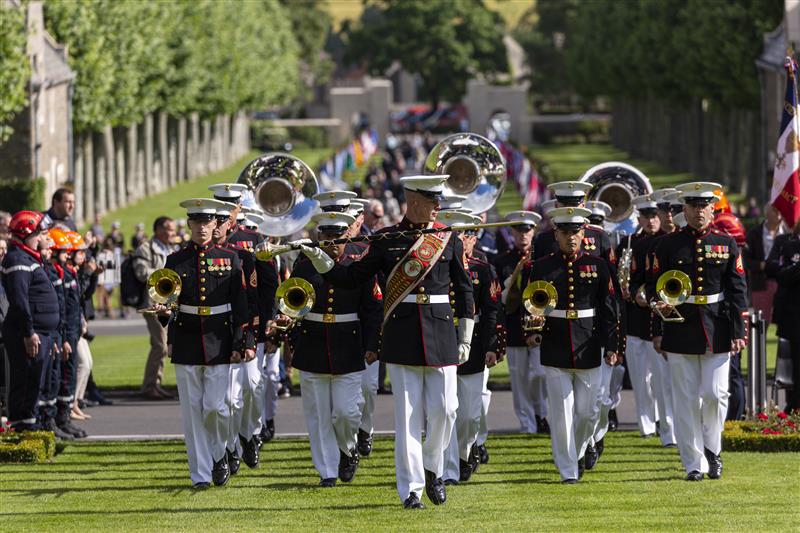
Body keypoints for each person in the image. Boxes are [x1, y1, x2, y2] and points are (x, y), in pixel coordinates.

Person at [294, 175, 474, 509]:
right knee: (407, 417)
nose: (438, 205)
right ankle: (412, 489)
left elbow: (464, 290)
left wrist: (465, 335)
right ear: (414, 200)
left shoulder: (448, 238)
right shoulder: (385, 239)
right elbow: (351, 278)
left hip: (441, 333)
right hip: (402, 335)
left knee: (446, 410)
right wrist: (321, 260)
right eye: (433, 200)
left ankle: (433, 466)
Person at [650, 182, 748, 481]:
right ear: (685, 209)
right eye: (693, 206)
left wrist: (739, 330)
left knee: (715, 394)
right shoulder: (668, 245)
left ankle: (713, 450)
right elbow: (656, 289)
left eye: (704, 206)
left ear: (712, 209)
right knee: (686, 400)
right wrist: (657, 329)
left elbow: (737, 290)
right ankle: (694, 463)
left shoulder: (725, 242)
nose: (699, 212)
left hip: (717, 328)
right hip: (680, 327)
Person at [159, 198, 254, 489]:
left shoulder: (230, 257)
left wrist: (242, 341)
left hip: (219, 338)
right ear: (189, 224)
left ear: (215, 224)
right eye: (196, 222)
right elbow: (169, 304)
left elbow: (241, 304)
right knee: (192, 412)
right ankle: (200, 474)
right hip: (187, 338)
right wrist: (166, 320)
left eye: (207, 222)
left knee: (216, 407)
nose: (202, 227)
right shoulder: (175, 261)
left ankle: (220, 451)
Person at [523, 207, 619, 483]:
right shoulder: (542, 266)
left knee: (588, 413)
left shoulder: (598, 265)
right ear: (556, 234)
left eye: (576, 232)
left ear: (583, 233)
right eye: (565, 232)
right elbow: (531, 303)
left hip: (588, 343)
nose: (571, 237)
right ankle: (567, 469)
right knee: (561, 413)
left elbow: (609, 308)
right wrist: (532, 329)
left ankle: (577, 452)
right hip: (555, 343)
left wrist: (613, 344)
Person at [289, 211, 382, 487]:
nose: (332, 243)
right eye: (327, 237)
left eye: (337, 237)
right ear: (319, 237)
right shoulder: (305, 266)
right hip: (313, 344)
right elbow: (292, 302)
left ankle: (348, 449)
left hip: (348, 344)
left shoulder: (357, 267)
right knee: (318, 415)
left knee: (346, 412)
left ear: (346, 238)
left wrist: (372, 344)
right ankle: (327, 471)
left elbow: (372, 309)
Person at [442, 210, 501, 485]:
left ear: (473, 239)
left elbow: (492, 311)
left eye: (463, 236)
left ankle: (466, 452)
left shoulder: (482, 268)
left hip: (474, 345)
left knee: (468, 416)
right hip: (442, 339)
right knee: (445, 410)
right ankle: (449, 469)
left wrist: (492, 346)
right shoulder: (437, 267)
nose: (458, 241)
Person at [624, 192, 677, 446]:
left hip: (662, 317)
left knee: (663, 380)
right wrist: (635, 292)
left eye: (655, 215)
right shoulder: (633, 243)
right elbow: (630, 278)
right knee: (640, 379)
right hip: (638, 318)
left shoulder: (667, 242)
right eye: (646, 216)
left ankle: (668, 429)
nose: (651, 220)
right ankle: (646, 424)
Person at [2, 211, 59, 433]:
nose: (40, 238)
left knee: (34, 384)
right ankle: (24, 431)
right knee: (26, 385)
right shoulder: (18, 260)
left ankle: (31, 428)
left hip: (39, 332)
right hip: (27, 334)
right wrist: (28, 332)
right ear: (25, 233)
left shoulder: (27, 257)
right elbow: (20, 299)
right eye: (38, 234)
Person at [497, 210, 547, 434]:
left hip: (538, 326)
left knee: (540, 373)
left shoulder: (542, 259)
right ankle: (528, 423)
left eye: (527, 230)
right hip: (515, 327)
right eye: (518, 231)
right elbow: (501, 298)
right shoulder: (503, 261)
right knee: (519, 379)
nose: (523, 235)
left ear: (533, 231)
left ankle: (541, 414)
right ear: (512, 232)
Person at [134, 216, 177, 399]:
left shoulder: (171, 248)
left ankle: (155, 385)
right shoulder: (145, 248)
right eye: (169, 229)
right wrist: (166, 274)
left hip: (168, 303)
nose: (172, 233)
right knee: (160, 345)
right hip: (153, 304)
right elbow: (141, 272)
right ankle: (149, 386)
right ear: (158, 230)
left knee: (163, 345)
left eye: (173, 229)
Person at [766, 218, 800, 412]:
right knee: (794, 367)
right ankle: (794, 408)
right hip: (793, 316)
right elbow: (777, 272)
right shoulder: (786, 244)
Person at [744, 204, 785, 324]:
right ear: (767, 213)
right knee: (761, 322)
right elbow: (746, 260)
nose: (779, 214)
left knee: (785, 321)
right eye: (775, 211)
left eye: (780, 211)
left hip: (783, 282)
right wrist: (762, 265)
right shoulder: (754, 233)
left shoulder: (787, 233)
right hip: (761, 282)